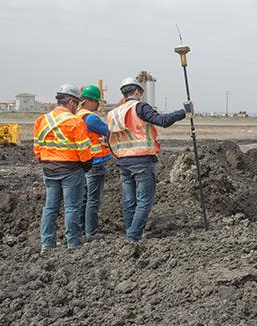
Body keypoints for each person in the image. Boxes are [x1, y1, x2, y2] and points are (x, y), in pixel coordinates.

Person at [107, 77, 191, 244]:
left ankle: (130, 234)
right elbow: (163, 121)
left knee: (129, 201)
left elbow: (109, 138)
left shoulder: (113, 113)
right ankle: (133, 237)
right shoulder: (140, 106)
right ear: (137, 91)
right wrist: (184, 112)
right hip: (142, 160)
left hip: (123, 161)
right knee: (144, 200)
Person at [33, 84, 93, 251]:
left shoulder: (42, 120)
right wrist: (86, 165)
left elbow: (37, 147)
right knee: (72, 207)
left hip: (49, 169)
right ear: (72, 102)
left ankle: (47, 244)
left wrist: (46, 161)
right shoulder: (75, 122)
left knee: (50, 207)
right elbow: (83, 150)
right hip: (70, 169)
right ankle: (73, 244)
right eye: (77, 104)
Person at [76, 85, 112, 240]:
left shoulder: (77, 116)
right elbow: (109, 131)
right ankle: (92, 232)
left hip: (83, 162)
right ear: (89, 101)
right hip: (95, 163)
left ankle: (82, 230)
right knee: (93, 199)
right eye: (97, 101)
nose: (98, 105)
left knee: (83, 198)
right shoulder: (90, 118)